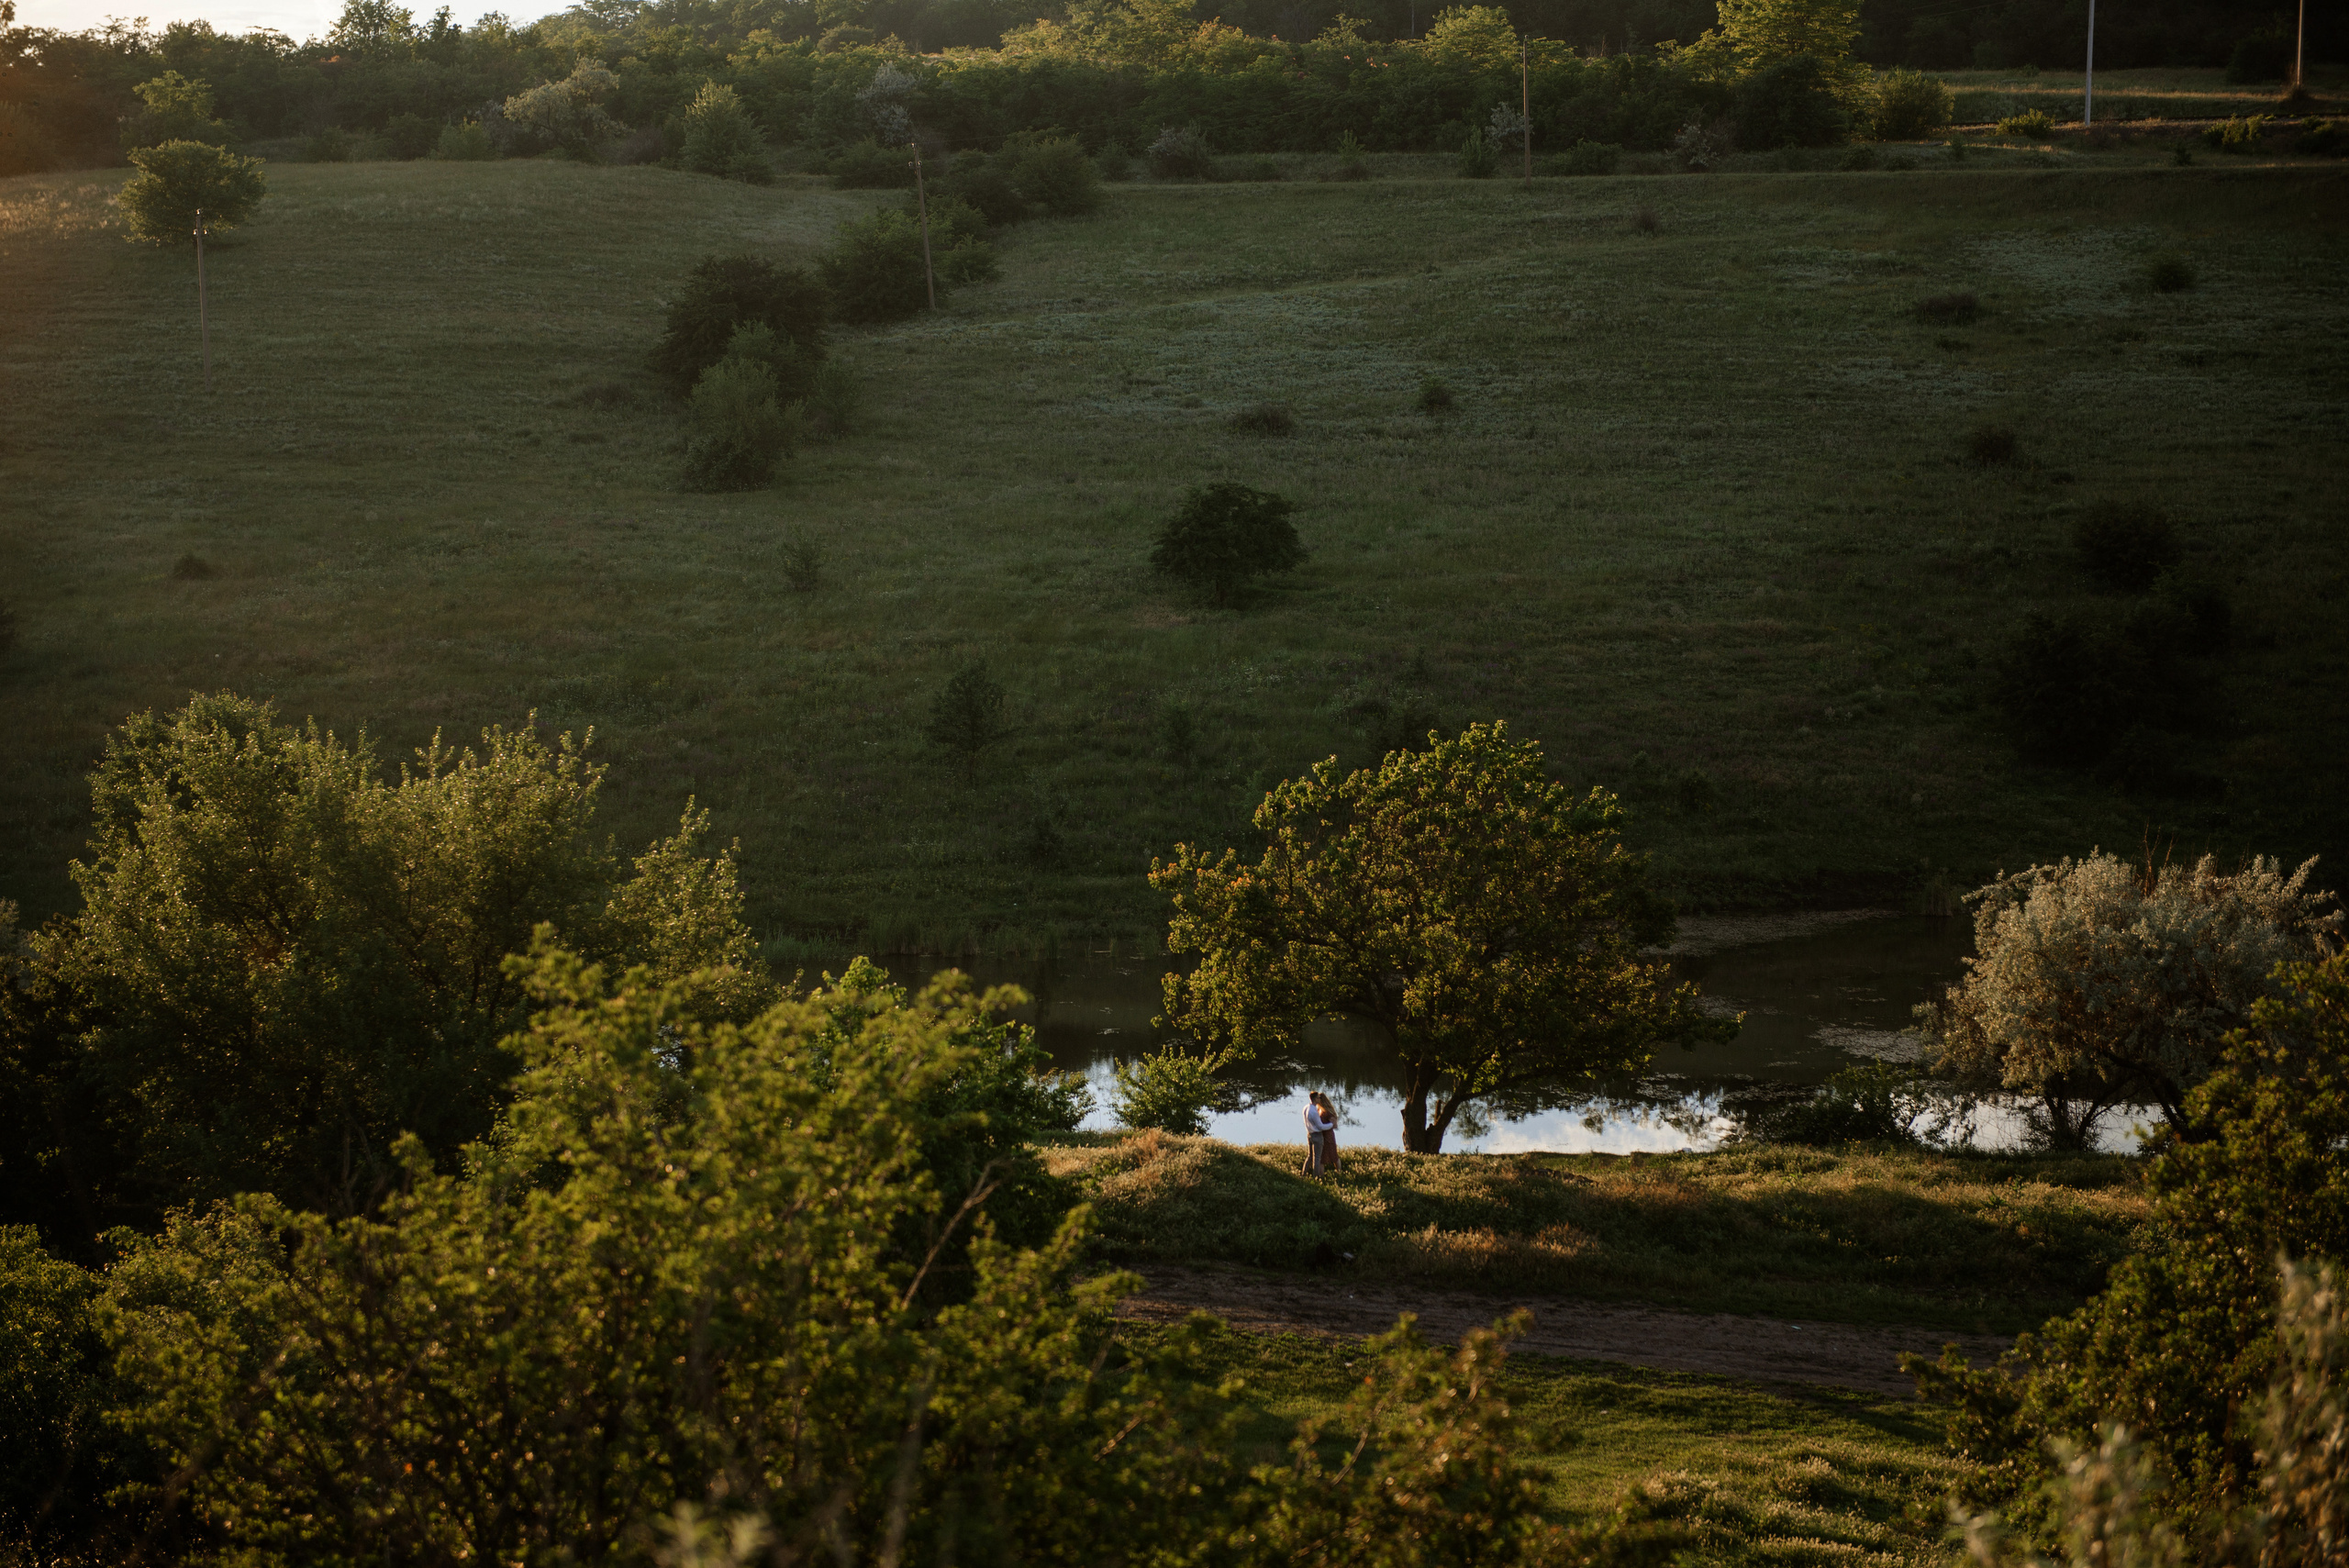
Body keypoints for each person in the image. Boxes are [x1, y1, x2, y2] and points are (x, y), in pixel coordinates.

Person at [1301, 1092, 1333, 1176]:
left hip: (1309, 1134)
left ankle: (1303, 1174)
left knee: (1310, 1156)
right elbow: (1320, 1127)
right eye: (1319, 1098)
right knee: (1317, 1158)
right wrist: (1331, 1125)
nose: (1320, 1099)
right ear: (1315, 1099)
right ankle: (1316, 1176)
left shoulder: (1305, 1108)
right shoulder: (1314, 1111)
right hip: (1317, 1135)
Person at [1311, 1091, 1341, 1174]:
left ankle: (1339, 1173)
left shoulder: (1328, 1112)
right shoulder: (1319, 1110)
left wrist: (1325, 1126)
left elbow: (1334, 1125)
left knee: (1334, 1155)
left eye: (1318, 1099)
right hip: (1321, 1135)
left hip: (1328, 1136)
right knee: (1322, 1158)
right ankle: (1321, 1177)